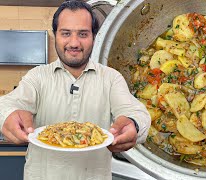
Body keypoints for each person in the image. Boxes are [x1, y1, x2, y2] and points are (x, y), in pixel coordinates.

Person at [0, 0, 151, 179]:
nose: (74, 43)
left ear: (94, 37)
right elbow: (8, 103)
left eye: (83, 34)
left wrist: (133, 123)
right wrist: (8, 115)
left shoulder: (111, 78)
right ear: (55, 34)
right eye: (66, 33)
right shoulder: (37, 76)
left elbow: (137, 112)